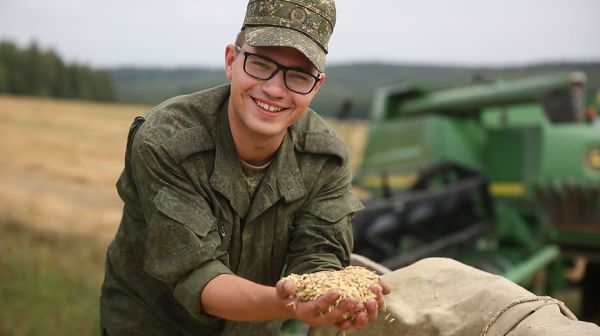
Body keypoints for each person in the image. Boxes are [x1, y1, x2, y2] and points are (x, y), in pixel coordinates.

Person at [100, 0, 390, 335]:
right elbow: (198, 274)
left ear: (317, 86)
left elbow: (319, 254)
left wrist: (331, 294)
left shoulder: (326, 157)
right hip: (153, 324)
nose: (274, 89)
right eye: (262, 64)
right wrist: (289, 303)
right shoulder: (166, 140)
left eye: (298, 76)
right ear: (231, 61)